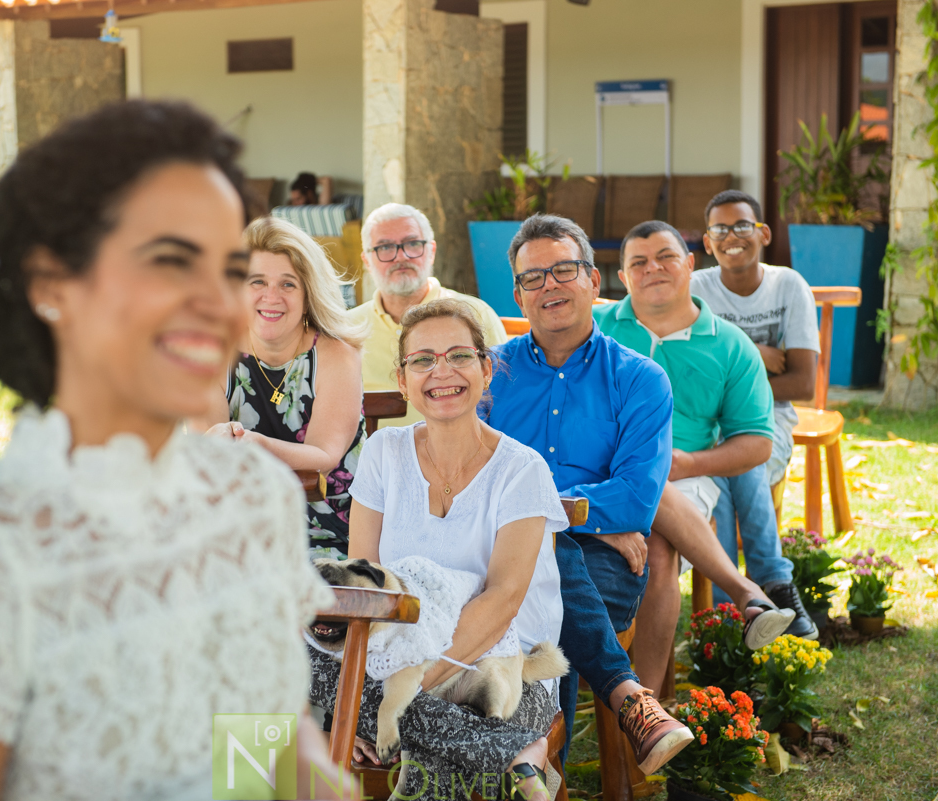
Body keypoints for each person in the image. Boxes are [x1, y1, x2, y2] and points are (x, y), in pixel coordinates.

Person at [0, 101, 348, 801]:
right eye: (169, 260)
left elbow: (263, 745)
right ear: (52, 283)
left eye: (227, 269)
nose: (216, 303)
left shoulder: (250, 497)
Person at [307, 299, 691, 801]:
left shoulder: (522, 469)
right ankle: (518, 760)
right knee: (297, 644)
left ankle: (497, 750)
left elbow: (503, 601)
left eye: (458, 356)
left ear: (487, 370)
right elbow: (365, 588)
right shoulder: (384, 453)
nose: (440, 371)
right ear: (402, 381)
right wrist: (371, 695)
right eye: (422, 360)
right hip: (397, 653)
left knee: (473, 692)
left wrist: (392, 698)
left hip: (499, 652)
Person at [486, 214, 794, 734]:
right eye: (533, 278)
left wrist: (538, 509)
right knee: (518, 606)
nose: (550, 286)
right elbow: (469, 483)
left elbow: (633, 501)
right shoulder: (489, 373)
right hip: (497, 547)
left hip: (600, 555)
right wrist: (584, 512)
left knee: (545, 610)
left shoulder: (640, 378)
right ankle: (627, 719)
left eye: (564, 270)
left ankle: (540, 766)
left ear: (593, 281)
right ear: (518, 296)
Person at [596, 219, 817, 639]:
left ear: (691, 264)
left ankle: (648, 699)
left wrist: (689, 461)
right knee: (642, 475)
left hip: (685, 479)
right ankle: (744, 590)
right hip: (595, 472)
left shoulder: (731, 344)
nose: (653, 269)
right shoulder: (595, 331)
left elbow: (756, 445)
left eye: (666, 257)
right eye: (639, 262)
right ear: (623, 277)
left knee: (658, 554)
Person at [206, 216, 367, 557]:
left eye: (288, 284)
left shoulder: (337, 355)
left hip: (326, 527)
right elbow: (206, 450)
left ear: (309, 293)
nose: (271, 296)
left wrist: (255, 446)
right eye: (257, 282)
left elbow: (324, 457)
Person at [691, 191, 820, 616]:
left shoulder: (788, 286)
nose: (733, 236)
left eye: (742, 225)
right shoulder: (694, 290)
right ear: (707, 243)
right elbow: (687, 370)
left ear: (762, 233)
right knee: (728, 466)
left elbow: (801, 382)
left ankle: (731, 614)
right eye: (720, 229)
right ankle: (771, 585)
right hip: (707, 424)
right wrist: (752, 354)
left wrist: (729, 370)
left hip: (767, 418)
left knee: (739, 459)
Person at [348, 202, 507, 427]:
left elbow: (505, 402)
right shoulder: (345, 329)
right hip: (369, 460)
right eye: (384, 247)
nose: (400, 256)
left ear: (431, 251)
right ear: (366, 260)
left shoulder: (476, 315)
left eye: (412, 244)